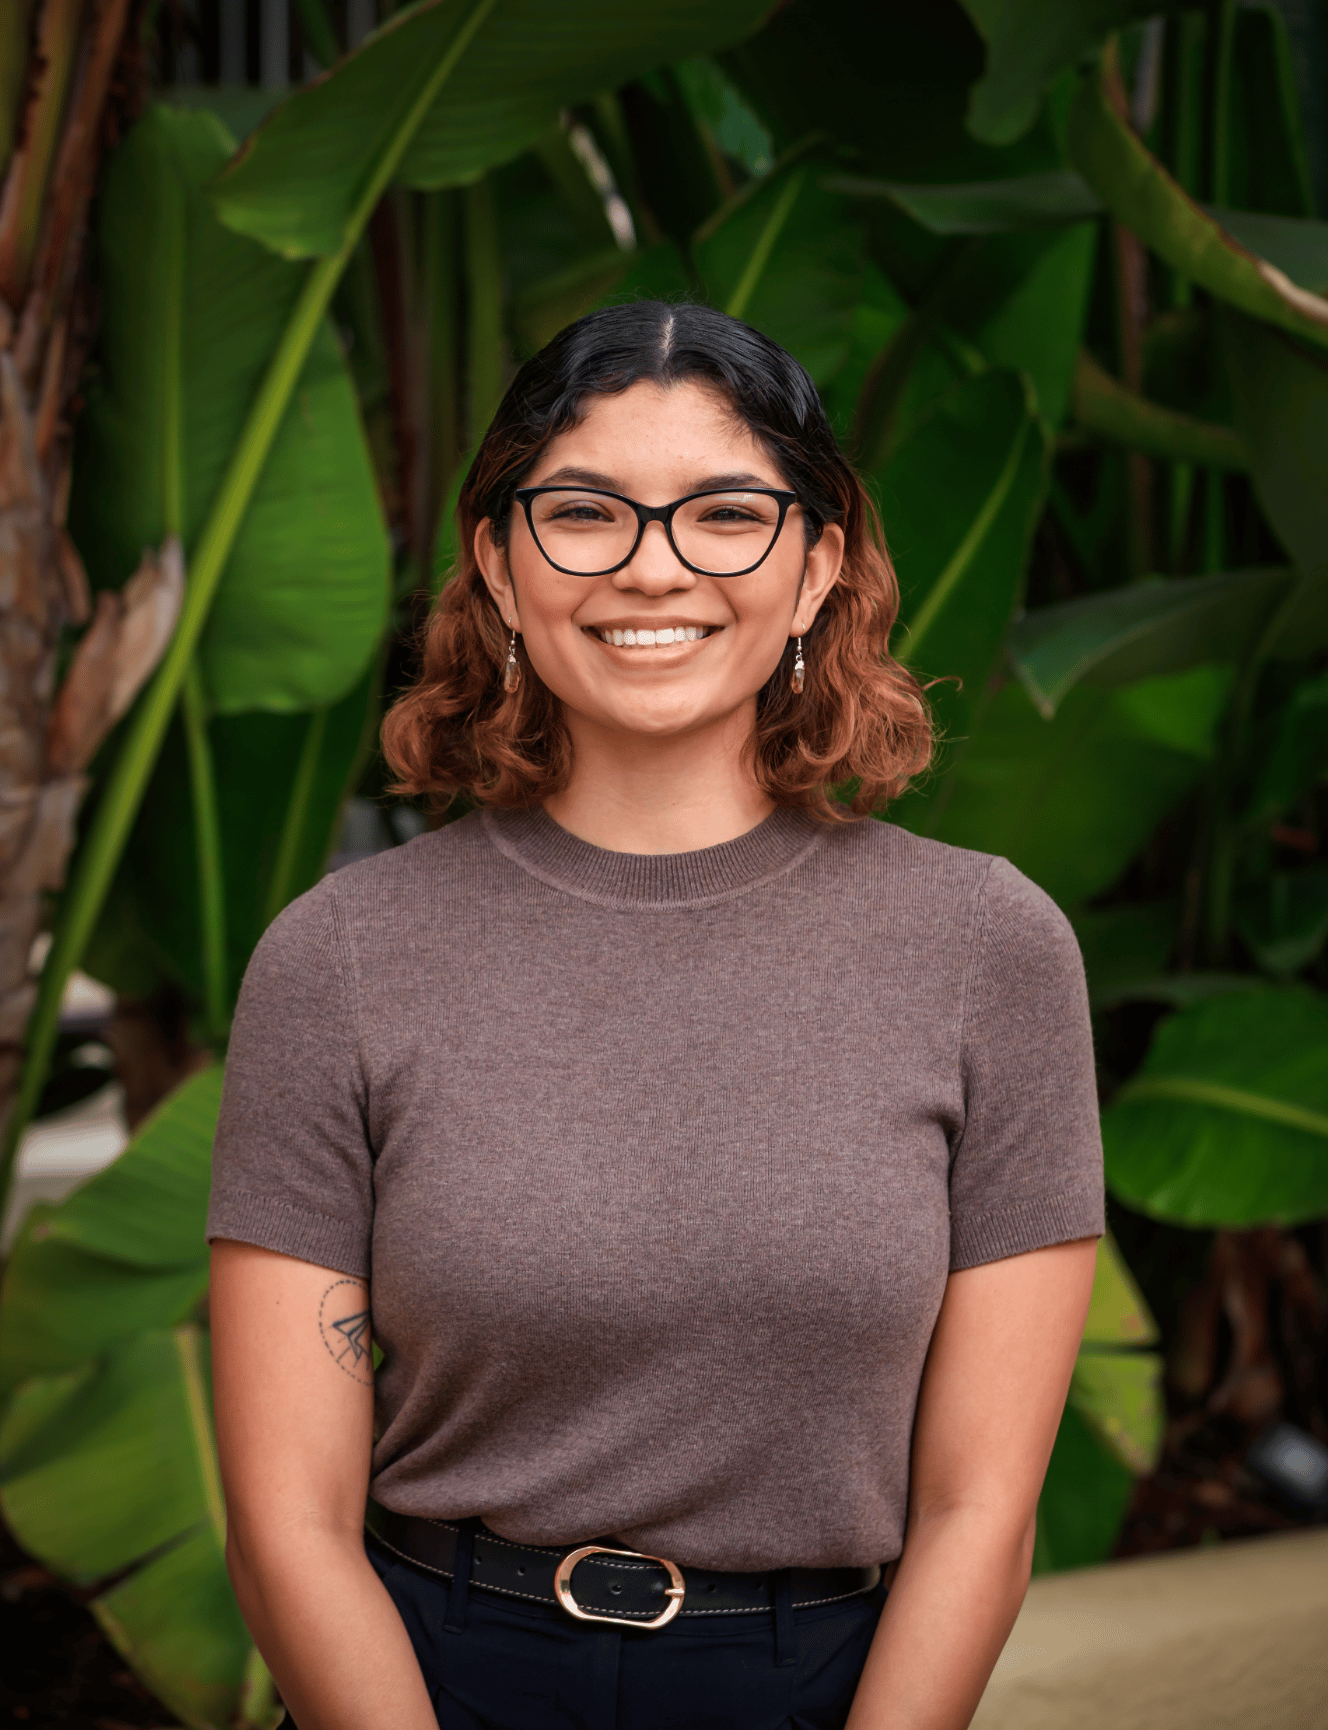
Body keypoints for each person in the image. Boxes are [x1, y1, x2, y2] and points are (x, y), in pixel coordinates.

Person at [208, 300, 1103, 1730]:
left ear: (817, 566)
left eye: (726, 514)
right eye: (585, 512)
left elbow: (981, 1516)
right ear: (500, 563)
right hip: (429, 1678)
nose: (653, 566)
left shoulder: (988, 949)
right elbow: (286, 1521)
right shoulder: (339, 959)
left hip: (823, 1685)